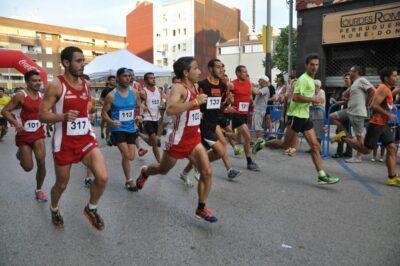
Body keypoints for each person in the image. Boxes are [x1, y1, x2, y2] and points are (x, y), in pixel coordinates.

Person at [135, 56, 218, 223]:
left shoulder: (194, 85)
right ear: (186, 73)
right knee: (162, 169)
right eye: (195, 68)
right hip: (178, 139)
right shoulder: (178, 88)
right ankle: (145, 172)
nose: (199, 71)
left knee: (207, 171)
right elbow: (171, 109)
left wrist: (197, 110)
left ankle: (201, 208)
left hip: (194, 138)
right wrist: (195, 102)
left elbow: (189, 109)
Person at [39, 46, 108, 231]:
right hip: (65, 143)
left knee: (102, 177)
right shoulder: (56, 85)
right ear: (66, 63)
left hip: (86, 139)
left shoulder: (85, 84)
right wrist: (62, 116)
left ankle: (91, 209)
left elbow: (84, 109)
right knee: (61, 184)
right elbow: (42, 115)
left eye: (83, 61)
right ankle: (54, 208)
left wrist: (90, 111)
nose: (82, 64)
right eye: (79, 61)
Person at [253, 54, 340, 185]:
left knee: (315, 146)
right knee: (285, 145)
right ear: (307, 65)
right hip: (296, 116)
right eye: (312, 64)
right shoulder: (303, 79)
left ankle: (321, 175)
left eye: (316, 64)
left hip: (305, 116)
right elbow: (295, 97)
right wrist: (313, 99)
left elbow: (303, 98)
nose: (314, 67)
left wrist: (311, 102)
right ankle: (262, 144)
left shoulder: (311, 79)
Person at [180, 59, 241, 184]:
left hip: (214, 122)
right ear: (211, 69)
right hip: (202, 124)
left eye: (222, 67)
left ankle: (186, 172)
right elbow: (192, 101)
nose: (221, 69)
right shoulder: (201, 85)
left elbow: (220, 105)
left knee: (205, 152)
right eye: (218, 67)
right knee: (221, 150)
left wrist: (228, 106)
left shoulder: (223, 86)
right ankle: (210, 167)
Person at [343, 67, 400, 187]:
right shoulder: (383, 88)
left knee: (392, 148)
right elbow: (374, 105)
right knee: (366, 150)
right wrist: (389, 114)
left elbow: (386, 100)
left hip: (383, 125)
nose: (396, 78)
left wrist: (391, 105)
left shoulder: (387, 88)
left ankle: (392, 177)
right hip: (376, 125)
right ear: (386, 78)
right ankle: (343, 137)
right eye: (394, 76)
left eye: (397, 75)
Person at [1, 70, 48, 201]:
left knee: (42, 162)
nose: (38, 83)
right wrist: (15, 123)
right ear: (27, 82)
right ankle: (20, 153)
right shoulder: (20, 96)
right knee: (28, 167)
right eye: (34, 81)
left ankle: (39, 190)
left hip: (38, 133)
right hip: (24, 135)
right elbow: (5, 111)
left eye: (39, 80)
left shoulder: (42, 95)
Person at [102, 67, 143, 190]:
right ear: (118, 77)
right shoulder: (111, 95)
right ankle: (130, 180)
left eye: (129, 76)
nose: (128, 78)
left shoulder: (135, 92)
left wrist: (139, 115)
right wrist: (111, 121)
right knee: (128, 156)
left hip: (131, 128)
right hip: (118, 129)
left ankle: (128, 180)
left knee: (130, 156)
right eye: (125, 76)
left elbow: (140, 106)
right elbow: (103, 113)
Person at [330, 66, 375, 163]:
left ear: (356, 72)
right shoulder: (354, 84)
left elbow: (373, 91)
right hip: (349, 110)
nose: (349, 72)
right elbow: (347, 97)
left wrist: (367, 103)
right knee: (332, 116)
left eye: (351, 71)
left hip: (357, 112)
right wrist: (344, 98)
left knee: (359, 137)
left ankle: (358, 156)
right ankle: (346, 135)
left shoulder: (361, 80)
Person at [230, 65, 259, 171]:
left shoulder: (248, 83)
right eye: (243, 72)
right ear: (237, 73)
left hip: (244, 113)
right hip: (236, 113)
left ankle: (223, 133)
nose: (246, 74)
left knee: (239, 137)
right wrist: (230, 102)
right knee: (247, 136)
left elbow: (250, 95)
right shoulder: (232, 84)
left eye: (246, 72)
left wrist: (252, 102)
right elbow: (227, 97)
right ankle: (250, 159)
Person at [329, 73, 352, 158]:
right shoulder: (342, 89)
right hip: (341, 112)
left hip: (348, 113)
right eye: (345, 78)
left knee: (343, 132)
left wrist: (343, 99)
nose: (345, 80)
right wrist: (334, 99)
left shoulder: (353, 88)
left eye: (347, 78)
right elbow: (337, 98)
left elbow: (350, 101)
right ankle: (345, 152)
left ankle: (342, 152)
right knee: (342, 132)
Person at [140, 72, 162, 163]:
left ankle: (139, 134)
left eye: (154, 78)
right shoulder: (143, 92)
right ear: (145, 81)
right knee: (154, 141)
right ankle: (160, 162)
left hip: (157, 118)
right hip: (147, 118)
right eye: (150, 78)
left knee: (152, 142)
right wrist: (141, 113)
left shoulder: (159, 90)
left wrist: (161, 104)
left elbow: (162, 99)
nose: (153, 79)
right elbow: (139, 104)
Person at [252, 76, 270, 142]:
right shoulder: (261, 88)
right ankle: (256, 142)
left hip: (259, 111)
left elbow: (256, 92)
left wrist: (250, 85)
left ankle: (260, 142)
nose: (258, 82)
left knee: (258, 128)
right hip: (257, 110)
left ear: (264, 81)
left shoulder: (265, 88)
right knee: (255, 128)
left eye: (260, 80)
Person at [100, 75, 116, 141]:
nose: (114, 81)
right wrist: (105, 104)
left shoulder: (116, 89)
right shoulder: (105, 90)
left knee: (109, 124)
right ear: (108, 81)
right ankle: (101, 130)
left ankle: (107, 137)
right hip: (106, 109)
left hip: (113, 109)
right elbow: (100, 99)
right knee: (103, 121)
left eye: (114, 80)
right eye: (112, 80)